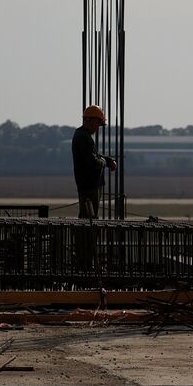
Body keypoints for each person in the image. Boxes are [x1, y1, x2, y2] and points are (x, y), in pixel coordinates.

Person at [72, 105, 116, 269]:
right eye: (97, 123)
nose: (98, 128)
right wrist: (105, 162)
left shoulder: (84, 136)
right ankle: (85, 263)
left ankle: (86, 261)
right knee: (88, 223)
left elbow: (95, 156)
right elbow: (93, 161)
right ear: (88, 120)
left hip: (90, 185)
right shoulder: (82, 137)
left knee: (89, 221)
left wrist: (106, 159)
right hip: (89, 187)